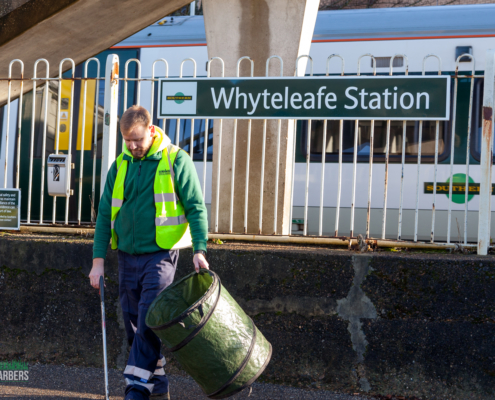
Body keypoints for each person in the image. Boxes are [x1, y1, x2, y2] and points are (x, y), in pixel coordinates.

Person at [88, 105, 209, 400]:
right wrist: (98, 261)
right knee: (132, 324)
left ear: (151, 130)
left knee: (147, 319)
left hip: (161, 256)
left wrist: (199, 249)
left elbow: (195, 207)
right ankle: (159, 384)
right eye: (127, 140)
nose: (132, 146)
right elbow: (105, 215)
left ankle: (136, 389)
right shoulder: (120, 165)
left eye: (137, 140)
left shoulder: (176, 159)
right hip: (127, 257)